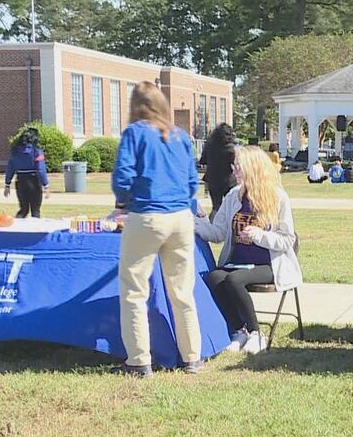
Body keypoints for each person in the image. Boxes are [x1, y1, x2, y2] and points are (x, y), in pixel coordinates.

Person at [110, 81, 203, 378]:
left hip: (148, 214)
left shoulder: (135, 133)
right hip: (180, 217)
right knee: (183, 291)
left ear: (135, 107)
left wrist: (122, 202)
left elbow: (123, 175)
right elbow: (192, 181)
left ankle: (139, 360)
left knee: (134, 290)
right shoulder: (181, 136)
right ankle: (193, 358)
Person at [195, 146, 302, 354]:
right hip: (238, 261)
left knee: (234, 280)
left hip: (269, 264)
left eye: (238, 167)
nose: (234, 170)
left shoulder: (278, 198)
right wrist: (195, 225)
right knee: (215, 277)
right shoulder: (234, 196)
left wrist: (259, 236)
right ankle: (239, 330)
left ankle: (256, 333)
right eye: (234, 166)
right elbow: (218, 232)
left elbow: (287, 239)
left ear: (253, 169)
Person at [4, 126, 50, 218]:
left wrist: (7, 184)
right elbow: (40, 169)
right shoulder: (37, 151)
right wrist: (46, 185)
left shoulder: (15, 151)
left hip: (20, 180)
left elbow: (10, 167)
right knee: (35, 211)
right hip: (33, 180)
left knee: (23, 210)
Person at [200, 123, 238, 215]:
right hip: (229, 180)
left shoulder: (209, 145)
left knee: (216, 207)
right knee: (232, 207)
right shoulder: (232, 149)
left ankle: (213, 226)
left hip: (213, 180)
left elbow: (202, 161)